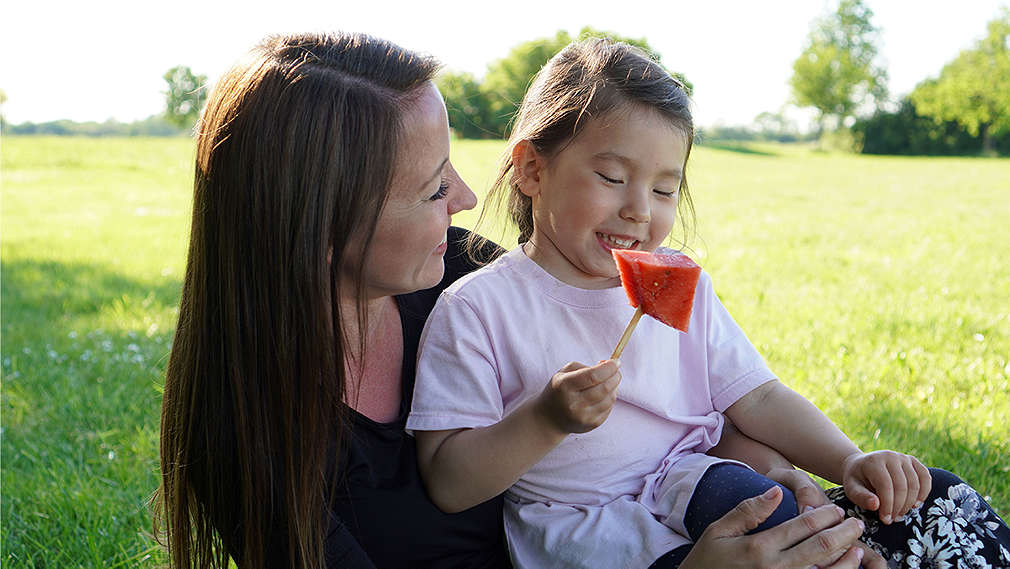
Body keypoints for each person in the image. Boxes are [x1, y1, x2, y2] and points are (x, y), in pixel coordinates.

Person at [152, 30, 964, 569]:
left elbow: (709, 396)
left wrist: (785, 464)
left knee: (937, 506)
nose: (470, 198)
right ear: (319, 226)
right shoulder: (250, 442)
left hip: (690, 503)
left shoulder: (455, 269)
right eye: (433, 188)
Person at [406, 38, 1010, 569]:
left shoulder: (678, 280)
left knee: (936, 501)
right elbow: (449, 481)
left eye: (665, 188)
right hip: (592, 532)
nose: (641, 208)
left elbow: (759, 396)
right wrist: (546, 419)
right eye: (613, 178)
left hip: (696, 483)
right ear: (533, 169)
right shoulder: (478, 309)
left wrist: (849, 460)